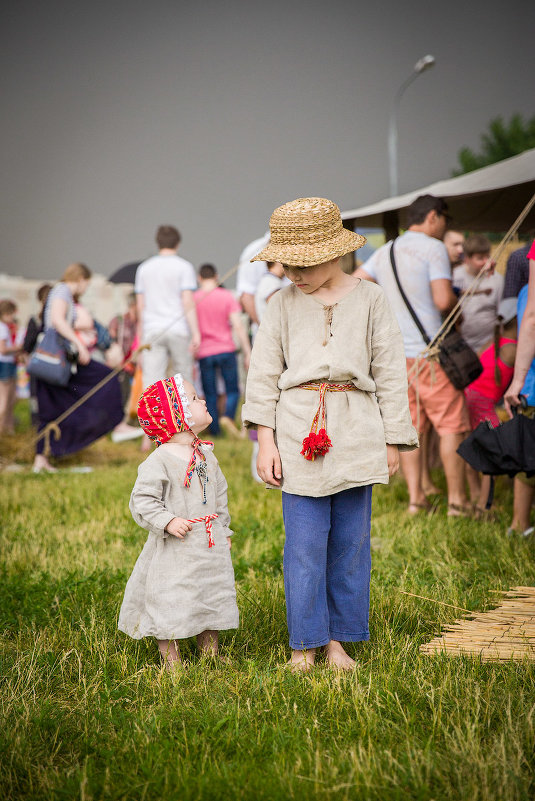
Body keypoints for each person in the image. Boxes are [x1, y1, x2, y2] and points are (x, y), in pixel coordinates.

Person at [242, 197, 417, 672]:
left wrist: (392, 439)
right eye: (286, 264)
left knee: (350, 546)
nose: (291, 273)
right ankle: (304, 643)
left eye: (302, 264)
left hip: (357, 428)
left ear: (335, 253)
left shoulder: (371, 298)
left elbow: (389, 372)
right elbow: (261, 375)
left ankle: (339, 641)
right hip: (299, 428)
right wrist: (265, 439)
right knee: (302, 545)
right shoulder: (280, 305)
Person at [356, 194, 471, 517]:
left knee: (411, 429)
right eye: (445, 219)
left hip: (396, 357)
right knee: (451, 425)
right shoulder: (433, 248)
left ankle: (415, 500)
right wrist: (457, 304)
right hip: (431, 354)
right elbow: (442, 299)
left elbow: (356, 284)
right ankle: (457, 503)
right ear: (433, 217)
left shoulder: (386, 250)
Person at [118, 373, 239, 669]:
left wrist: (223, 527)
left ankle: (210, 651)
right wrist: (168, 520)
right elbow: (142, 501)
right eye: (196, 399)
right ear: (178, 416)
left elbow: (219, 495)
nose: (204, 400)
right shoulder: (159, 461)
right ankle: (171, 660)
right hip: (176, 546)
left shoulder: (206, 456)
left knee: (209, 592)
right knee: (170, 596)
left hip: (207, 542)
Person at [33, 263, 141, 473]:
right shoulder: (62, 291)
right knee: (106, 377)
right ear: (81, 279)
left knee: (52, 408)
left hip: (58, 360)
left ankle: (42, 459)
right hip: (55, 358)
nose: (86, 289)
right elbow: (56, 321)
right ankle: (116, 424)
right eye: (87, 284)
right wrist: (79, 343)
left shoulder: (62, 293)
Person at [463, 297, 517, 516]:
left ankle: (476, 494)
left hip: (469, 397)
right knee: (491, 455)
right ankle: (485, 504)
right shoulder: (514, 349)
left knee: (472, 448)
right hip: (483, 403)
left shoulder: (492, 341)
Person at [135, 225, 200, 388]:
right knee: (184, 379)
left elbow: (140, 306)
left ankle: (152, 413)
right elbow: (187, 302)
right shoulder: (185, 267)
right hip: (178, 328)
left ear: (158, 243)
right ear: (178, 243)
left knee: (151, 382)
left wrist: (139, 337)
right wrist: (196, 333)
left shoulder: (144, 268)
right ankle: (187, 413)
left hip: (151, 329)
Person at [194, 264, 251, 437]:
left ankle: (215, 431)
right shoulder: (226, 296)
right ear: (217, 276)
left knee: (210, 393)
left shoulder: (194, 298)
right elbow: (239, 325)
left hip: (204, 352)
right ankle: (227, 417)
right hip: (226, 349)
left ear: (199, 278)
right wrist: (247, 351)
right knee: (232, 389)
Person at [504, 242, 535, 538]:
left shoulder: (526, 294)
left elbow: (529, 323)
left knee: (527, 458)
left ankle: (519, 523)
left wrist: (517, 381)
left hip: (531, 385)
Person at [452, 234, 503, 352]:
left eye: (488, 257)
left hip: (489, 347)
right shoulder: (454, 276)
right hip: (461, 347)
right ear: (466, 259)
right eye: (480, 258)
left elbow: (502, 317)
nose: (486, 262)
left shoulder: (497, 280)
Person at [22, 284, 52, 426]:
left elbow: (27, 344)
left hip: (37, 364)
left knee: (35, 396)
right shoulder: (53, 320)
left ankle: (37, 424)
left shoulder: (35, 319)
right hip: (53, 365)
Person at [0, 300, 22, 434]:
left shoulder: (4, 327)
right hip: (5, 363)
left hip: (7, 363)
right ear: (6, 313)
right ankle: (2, 428)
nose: (13, 318)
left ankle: (8, 427)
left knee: (11, 398)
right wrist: (18, 347)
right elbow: (3, 349)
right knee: (4, 399)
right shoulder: (2, 328)